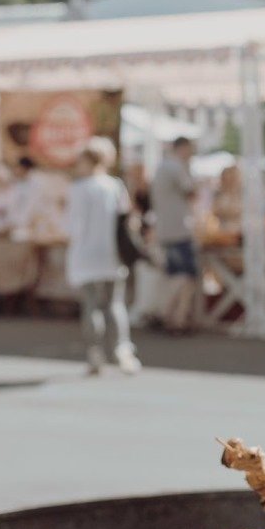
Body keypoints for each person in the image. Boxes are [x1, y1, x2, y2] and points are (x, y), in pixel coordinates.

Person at [66, 137, 140, 376]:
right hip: (111, 253)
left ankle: (95, 353)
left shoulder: (78, 189)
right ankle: (122, 351)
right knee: (115, 303)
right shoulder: (115, 186)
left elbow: (71, 225)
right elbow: (128, 220)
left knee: (91, 305)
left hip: (85, 253)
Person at [151, 137, 199, 334]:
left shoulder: (162, 167)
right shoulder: (175, 167)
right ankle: (170, 314)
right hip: (178, 229)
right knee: (186, 275)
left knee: (177, 275)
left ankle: (172, 315)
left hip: (166, 229)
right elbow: (191, 191)